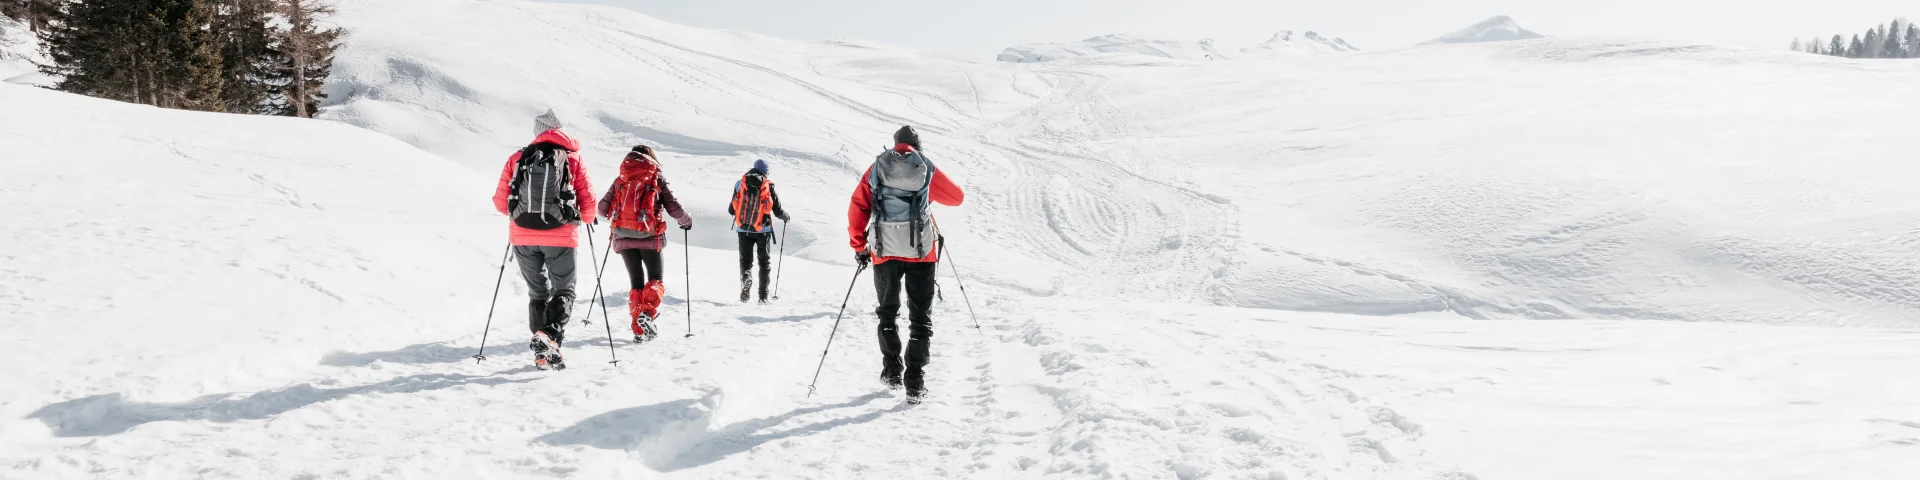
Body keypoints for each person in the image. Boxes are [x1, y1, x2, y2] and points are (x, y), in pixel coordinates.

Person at [847, 125, 964, 402]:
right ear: (916, 146)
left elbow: (858, 206)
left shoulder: (877, 167)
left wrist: (858, 245)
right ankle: (914, 379)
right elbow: (957, 197)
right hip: (921, 253)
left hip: (883, 251)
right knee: (920, 316)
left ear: (895, 144)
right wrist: (925, 194)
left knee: (887, 311)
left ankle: (891, 369)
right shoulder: (925, 167)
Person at [492, 109, 595, 370]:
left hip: (522, 235)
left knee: (538, 292)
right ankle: (549, 336)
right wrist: (584, 217)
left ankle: (541, 352)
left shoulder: (518, 158)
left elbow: (500, 203)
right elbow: (589, 201)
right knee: (564, 290)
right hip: (561, 236)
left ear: (537, 131)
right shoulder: (572, 159)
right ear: (560, 130)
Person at [598, 145, 692, 343]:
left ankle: (639, 330)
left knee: (636, 283)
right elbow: (674, 207)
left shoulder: (621, 178)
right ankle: (646, 316)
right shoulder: (655, 176)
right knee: (655, 279)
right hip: (649, 236)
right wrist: (686, 221)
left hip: (622, 237)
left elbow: (601, 209)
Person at [728, 159, 790, 304]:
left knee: (746, 260)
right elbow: (778, 211)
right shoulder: (768, 186)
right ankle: (763, 297)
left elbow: (731, 209)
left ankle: (747, 278)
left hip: (743, 229)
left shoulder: (740, 183)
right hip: (763, 230)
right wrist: (786, 217)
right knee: (764, 263)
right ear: (766, 172)